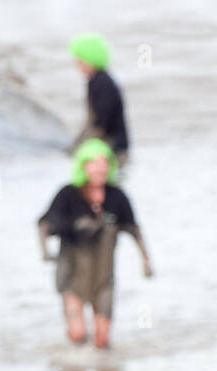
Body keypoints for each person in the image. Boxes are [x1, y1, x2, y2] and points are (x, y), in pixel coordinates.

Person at [38, 139, 152, 349]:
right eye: (94, 162)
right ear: (83, 165)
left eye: (104, 162)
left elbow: (134, 229)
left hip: (103, 275)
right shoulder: (68, 195)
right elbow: (44, 224)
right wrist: (45, 250)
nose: (100, 167)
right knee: (78, 334)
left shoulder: (117, 197)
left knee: (102, 340)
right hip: (72, 272)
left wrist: (146, 261)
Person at [68, 33, 129, 165]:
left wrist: (80, 149)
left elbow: (101, 123)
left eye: (80, 60)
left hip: (113, 150)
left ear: (90, 59)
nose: (77, 64)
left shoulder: (103, 83)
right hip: (104, 147)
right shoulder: (94, 81)